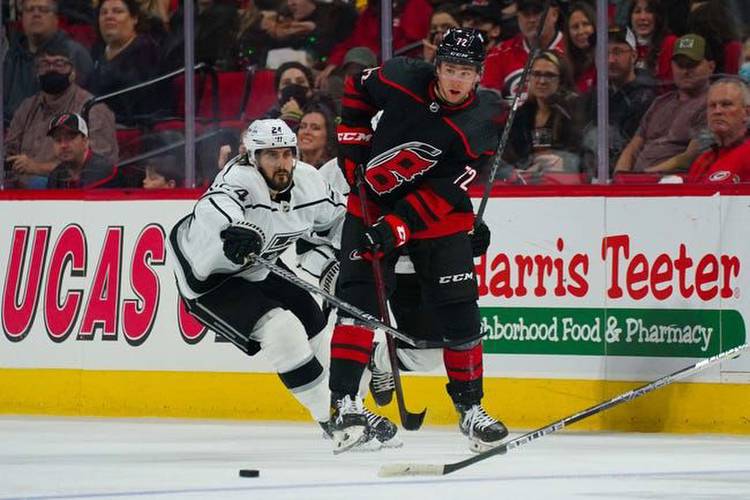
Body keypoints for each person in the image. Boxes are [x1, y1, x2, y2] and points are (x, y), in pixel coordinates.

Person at [167, 119, 399, 449]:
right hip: (208, 278)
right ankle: (333, 419)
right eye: (271, 155)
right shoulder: (239, 180)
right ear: (252, 156)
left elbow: (341, 222)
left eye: (287, 154)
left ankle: (351, 407)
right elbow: (213, 206)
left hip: (259, 267)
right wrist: (234, 229)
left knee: (314, 321)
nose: (282, 163)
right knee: (283, 330)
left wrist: (368, 243)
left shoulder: (308, 181)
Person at [329, 28, 507, 453]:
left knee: (460, 312)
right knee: (358, 303)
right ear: (437, 66)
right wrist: (353, 144)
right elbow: (356, 88)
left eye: (466, 72)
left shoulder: (485, 121)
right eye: (449, 69)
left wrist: (398, 227)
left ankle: (471, 411)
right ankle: (346, 406)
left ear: (479, 75)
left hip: (437, 220)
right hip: (370, 202)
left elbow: (446, 191)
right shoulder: (401, 76)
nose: (456, 80)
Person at [5, 41, 118, 189]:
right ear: (36, 73)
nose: (51, 69)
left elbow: (100, 168)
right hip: (16, 192)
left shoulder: (93, 109)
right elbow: (8, 151)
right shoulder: (27, 106)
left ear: (73, 73)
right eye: (44, 64)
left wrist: (37, 168)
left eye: (59, 64)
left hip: (63, 192)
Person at [615, 34, 714, 174]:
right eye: (680, 65)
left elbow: (689, 158)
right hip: (637, 184)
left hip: (674, 187)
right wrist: (619, 177)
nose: (685, 71)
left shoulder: (713, 104)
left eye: (692, 64)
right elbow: (632, 148)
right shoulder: (660, 102)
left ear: (711, 66)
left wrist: (644, 177)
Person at [579, 25, 657, 170]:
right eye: (603, 52)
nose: (610, 60)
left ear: (634, 55)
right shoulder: (594, 96)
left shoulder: (645, 97)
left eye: (618, 52)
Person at [3, 0, 93, 125]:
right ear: (22, 17)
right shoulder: (11, 56)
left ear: (56, 19)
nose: (36, 14)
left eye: (43, 10)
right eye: (30, 10)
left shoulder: (74, 54)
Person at [504, 50, 582, 174]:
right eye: (536, 74)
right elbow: (509, 156)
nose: (542, 81)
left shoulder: (574, 113)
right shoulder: (519, 116)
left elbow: (583, 155)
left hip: (564, 182)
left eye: (549, 75)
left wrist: (566, 162)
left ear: (561, 80)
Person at [89, 0, 162, 125]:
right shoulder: (96, 52)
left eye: (118, 11)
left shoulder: (147, 53)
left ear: (134, 18)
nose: (109, 16)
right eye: (103, 13)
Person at [481, 0, 565, 102]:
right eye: (526, 14)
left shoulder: (572, 50)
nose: (531, 20)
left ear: (554, 14)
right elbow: (488, 102)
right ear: (518, 17)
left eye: (537, 12)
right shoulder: (499, 54)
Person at [686, 78, 750, 183]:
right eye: (712, 105)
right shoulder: (702, 161)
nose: (717, 111)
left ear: (747, 112)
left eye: (726, 104)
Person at [46, 112, 120, 188]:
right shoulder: (55, 176)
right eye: (58, 140)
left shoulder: (102, 171)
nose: (63, 145)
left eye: (70, 138)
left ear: (85, 141)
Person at [628, 0, 676, 83]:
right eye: (637, 11)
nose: (642, 17)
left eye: (649, 11)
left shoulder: (671, 43)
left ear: (658, 16)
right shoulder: (623, 45)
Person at [564, 2, 596, 93]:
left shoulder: (605, 61)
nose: (581, 31)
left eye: (586, 24)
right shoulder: (567, 66)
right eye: (575, 27)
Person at [297, 104, 338, 169]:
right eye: (302, 127)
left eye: (315, 128)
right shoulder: (289, 167)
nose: (306, 132)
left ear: (328, 134)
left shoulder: (334, 170)